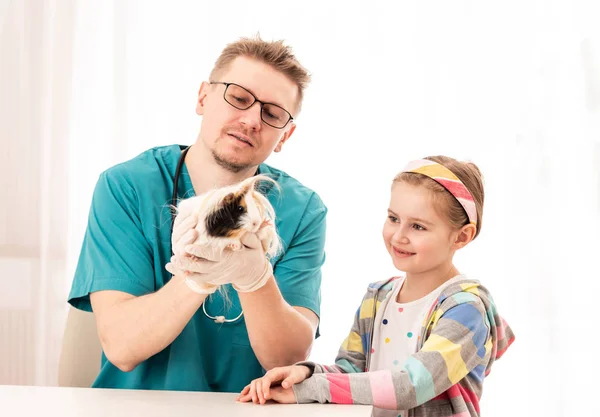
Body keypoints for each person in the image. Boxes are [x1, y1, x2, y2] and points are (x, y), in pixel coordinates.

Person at [67, 35, 326, 392]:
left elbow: (287, 361)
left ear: (285, 135)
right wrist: (196, 277)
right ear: (203, 97)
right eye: (238, 98)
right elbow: (122, 347)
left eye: (272, 114)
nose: (252, 120)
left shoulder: (303, 211)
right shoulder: (127, 186)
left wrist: (255, 278)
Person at [238, 156, 515, 417]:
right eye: (394, 218)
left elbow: (412, 386)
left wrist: (311, 390)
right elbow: (350, 372)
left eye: (418, 227)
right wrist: (305, 375)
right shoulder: (377, 297)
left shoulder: (466, 310)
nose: (399, 235)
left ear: (461, 236)